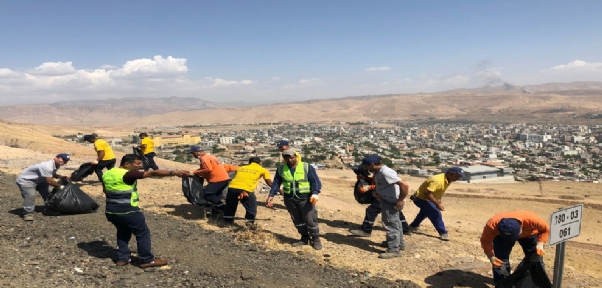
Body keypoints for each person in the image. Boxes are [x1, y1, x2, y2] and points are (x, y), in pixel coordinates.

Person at [102, 154, 189, 268]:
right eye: (137, 164)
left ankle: (123, 258)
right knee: (142, 233)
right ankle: (147, 259)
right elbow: (153, 173)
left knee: (123, 232)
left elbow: (105, 190)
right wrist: (173, 172)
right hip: (128, 211)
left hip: (111, 211)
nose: (140, 166)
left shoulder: (108, 173)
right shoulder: (128, 174)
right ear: (127, 164)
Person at [266, 149, 323, 250]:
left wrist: (315, 193)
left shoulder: (306, 167)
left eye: (292, 157)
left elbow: (315, 181)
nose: (290, 159)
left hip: (305, 199)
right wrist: (271, 195)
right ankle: (304, 237)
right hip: (289, 199)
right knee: (297, 220)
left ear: (296, 156)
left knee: (309, 219)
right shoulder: (281, 169)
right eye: (287, 158)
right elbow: (276, 183)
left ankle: (315, 238)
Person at [359, 155, 410, 259]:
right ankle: (399, 244)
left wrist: (400, 200)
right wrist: (376, 193)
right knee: (396, 223)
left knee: (390, 225)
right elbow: (384, 185)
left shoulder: (386, 172)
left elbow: (404, 185)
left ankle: (394, 250)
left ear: (372, 165)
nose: (366, 168)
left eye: (367, 166)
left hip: (392, 202)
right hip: (387, 199)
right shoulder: (379, 172)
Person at [480, 210, 550, 284]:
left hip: (530, 234)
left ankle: (536, 283)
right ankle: (502, 284)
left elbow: (545, 229)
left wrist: (540, 243)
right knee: (500, 260)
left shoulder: (532, 219)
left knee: (536, 259)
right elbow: (485, 240)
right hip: (502, 238)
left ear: (520, 228)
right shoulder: (492, 225)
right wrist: (491, 257)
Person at [349, 163, 412, 238]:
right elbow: (375, 181)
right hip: (387, 196)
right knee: (396, 213)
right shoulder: (378, 172)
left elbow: (382, 184)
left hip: (384, 196)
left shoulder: (383, 173)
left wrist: (368, 187)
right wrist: (365, 178)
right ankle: (405, 229)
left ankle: (366, 230)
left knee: (371, 211)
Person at [408, 167, 464, 241]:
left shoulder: (447, 179)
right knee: (435, 213)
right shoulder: (438, 180)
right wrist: (437, 204)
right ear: (450, 174)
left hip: (427, 199)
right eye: (456, 176)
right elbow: (427, 193)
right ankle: (443, 233)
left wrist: (439, 200)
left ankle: (413, 226)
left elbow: (438, 191)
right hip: (421, 199)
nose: (457, 179)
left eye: (459, 177)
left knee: (424, 212)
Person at [15, 154, 70, 221]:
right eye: (63, 159)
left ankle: (49, 209)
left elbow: (51, 173)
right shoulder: (47, 166)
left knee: (49, 194)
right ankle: (28, 212)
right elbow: (49, 181)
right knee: (30, 195)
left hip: (40, 180)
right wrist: (61, 187)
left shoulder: (56, 165)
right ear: (56, 158)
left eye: (66, 161)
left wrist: (60, 177)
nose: (64, 162)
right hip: (27, 180)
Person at [223, 157, 273, 224]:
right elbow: (269, 183)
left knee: (230, 206)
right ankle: (249, 224)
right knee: (251, 207)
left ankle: (227, 222)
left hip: (232, 188)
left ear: (249, 163)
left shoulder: (241, 168)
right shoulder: (263, 170)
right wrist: (279, 190)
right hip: (246, 190)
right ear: (259, 163)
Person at [189, 146, 230, 217]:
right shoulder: (210, 156)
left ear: (198, 152)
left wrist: (195, 172)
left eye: (193, 153)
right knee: (216, 196)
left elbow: (208, 169)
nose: (192, 155)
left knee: (208, 194)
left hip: (217, 179)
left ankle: (223, 208)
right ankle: (216, 214)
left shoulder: (204, 158)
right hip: (224, 178)